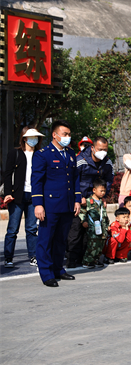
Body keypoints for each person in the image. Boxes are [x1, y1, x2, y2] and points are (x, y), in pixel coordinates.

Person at [32, 120, 81, 287]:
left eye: (69, 134)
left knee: (61, 239)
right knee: (45, 240)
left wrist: (76, 200)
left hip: (67, 204)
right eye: (64, 134)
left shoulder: (71, 154)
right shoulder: (43, 154)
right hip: (50, 205)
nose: (67, 137)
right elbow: (37, 181)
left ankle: (58, 268)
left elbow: (75, 179)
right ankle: (46, 273)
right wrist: (38, 204)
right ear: (55, 135)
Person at [67, 136, 114, 269]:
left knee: (93, 230)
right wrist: (79, 196)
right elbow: (72, 179)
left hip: (95, 201)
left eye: (105, 149)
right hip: (80, 200)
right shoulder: (81, 160)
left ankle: (88, 258)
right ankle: (71, 259)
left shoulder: (107, 162)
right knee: (76, 230)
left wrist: (104, 195)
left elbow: (109, 180)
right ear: (93, 148)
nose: (103, 152)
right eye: (100, 149)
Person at [2, 127, 44, 268]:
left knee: (32, 228)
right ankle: (8, 257)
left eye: (36, 137)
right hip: (17, 196)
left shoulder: (40, 154)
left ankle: (33, 256)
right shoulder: (15, 153)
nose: (34, 139)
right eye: (31, 137)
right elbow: (7, 174)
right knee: (13, 229)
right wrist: (8, 192)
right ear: (24, 138)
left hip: (34, 195)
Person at [80, 179, 110, 269]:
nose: (103, 193)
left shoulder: (102, 202)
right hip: (92, 228)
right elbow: (82, 212)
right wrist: (83, 221)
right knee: (92, 245)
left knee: (100, 245)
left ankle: (96, 260)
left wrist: (107, 225)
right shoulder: (88, 201)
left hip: (102, 227)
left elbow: (104, 215)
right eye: (101, 191)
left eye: (104, 191)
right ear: (94, 190)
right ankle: (87, 261)